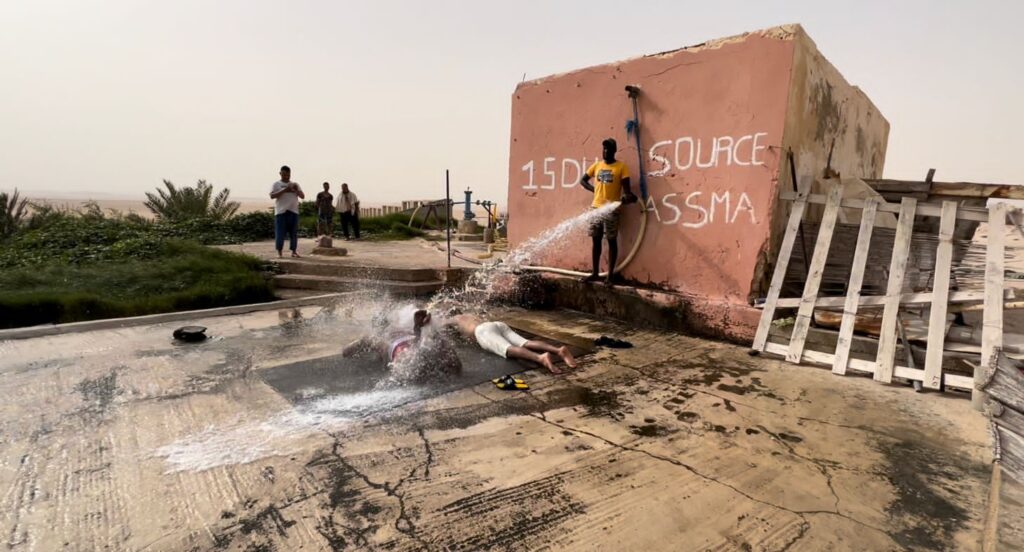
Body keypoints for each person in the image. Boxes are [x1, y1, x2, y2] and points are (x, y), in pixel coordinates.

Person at [579, 138, 637, 285]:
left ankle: (610, 276)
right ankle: (595, 273)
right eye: (603, 149)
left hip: (611, 210)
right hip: (596, 208)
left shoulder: (621, 167)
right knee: (596, 240)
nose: (605, 152)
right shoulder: (597, 165)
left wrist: (627, 198)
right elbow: (583, 180)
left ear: (614, 151)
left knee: (611, 240)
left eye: (608, 149)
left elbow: (628, 192)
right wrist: (595, 190)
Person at [342, 309, 461, 380]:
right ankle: (429, 331)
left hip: (401, 352)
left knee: (413, 371)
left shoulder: (376, 338)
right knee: (454, 365)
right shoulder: (402, 328)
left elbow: (346, 352)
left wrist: (362, 347)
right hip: (412, 341)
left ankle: (423, 332)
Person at [448, 314, 576, 374]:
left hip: (482, 332)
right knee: (526, 343)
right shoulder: (471, 314)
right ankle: (559, 350)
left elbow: (439, 324)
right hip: (496, 324)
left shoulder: (457, 318)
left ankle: (540, 358)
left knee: (509, 349)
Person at [269, 165, 305, 258]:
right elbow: (272, 196)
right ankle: (279, 252)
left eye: (288, 175)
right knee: (280, 233)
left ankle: (294, 251)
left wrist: (296, 190)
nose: (286, 176)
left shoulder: (295, 184)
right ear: (280, 173)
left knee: (293, 233)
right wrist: (285, 189)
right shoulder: (276, 184)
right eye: (284, 174)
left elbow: (302, 196)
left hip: (293, 211)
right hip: (281, 212)